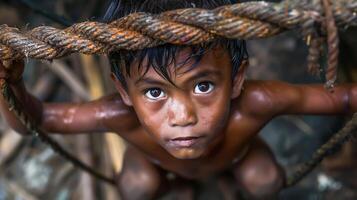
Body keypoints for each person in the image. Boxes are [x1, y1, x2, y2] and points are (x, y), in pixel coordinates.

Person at [0, 0, 356, 199]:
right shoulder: (118, 114)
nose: (183, 116)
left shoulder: (257, 101)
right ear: (124, 92)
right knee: (136, 186)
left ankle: (225, 184)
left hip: (237, 158)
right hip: (157, 166)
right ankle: (179, 187)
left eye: (203, 86)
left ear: (237, 79)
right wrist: (11, 86)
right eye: (154, 92)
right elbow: (38, 119)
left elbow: (342, 100)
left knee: (264, 179)